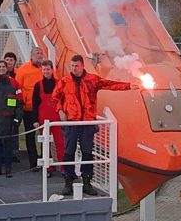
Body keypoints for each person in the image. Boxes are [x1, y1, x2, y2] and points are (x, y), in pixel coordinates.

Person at [52, 54, 135, 196]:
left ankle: (87, 182)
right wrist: (60, 110)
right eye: (72, 66)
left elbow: (109, 84)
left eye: (76, 66)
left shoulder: (92, 80)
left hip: (88, 123)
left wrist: (128, 86)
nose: (74, 69)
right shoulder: (64, 81)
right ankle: (68, 181)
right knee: (68, 152)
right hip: (71, 123)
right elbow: (55, 97)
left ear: (83, 66)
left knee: (87, 153)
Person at [31, 59, 64, 176]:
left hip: (56, 118)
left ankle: (63, 168)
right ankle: (48, 168)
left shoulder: (59, 83)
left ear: (52, 70)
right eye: (44, 69)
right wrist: (34, 119)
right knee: (45, 144)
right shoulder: (37, 85)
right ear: (42, 70)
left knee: (60, 143)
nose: (46, 71)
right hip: (43, 119)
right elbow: (34, 103)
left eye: (48, 69)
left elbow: (64, 100)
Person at [15, 47, 45, 170]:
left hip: (43, 108)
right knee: (30, 135)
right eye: (37, 53)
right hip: (29, 108)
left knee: (45, 134)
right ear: (31, 56)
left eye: (41, 53)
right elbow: (18, 88)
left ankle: (45, 160)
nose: (39, 55)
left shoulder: (47, 69)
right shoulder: (23, 70)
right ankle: (33, 162)